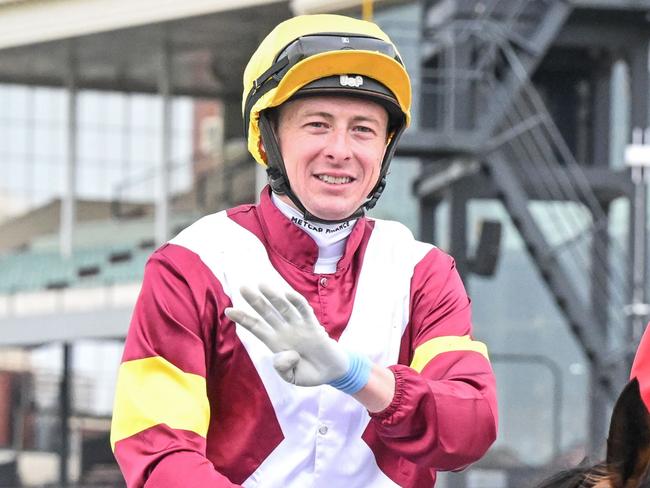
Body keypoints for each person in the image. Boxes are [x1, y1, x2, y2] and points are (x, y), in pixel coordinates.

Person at [110, 13, 497, 488]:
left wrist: (356, 375)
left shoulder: (425, 272)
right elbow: (158, 450)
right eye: (317, 125)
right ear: (268, 138)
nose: (340, 150)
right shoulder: (191, 264)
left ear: (385, 148)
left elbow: (470, 430)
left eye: (363, 129)